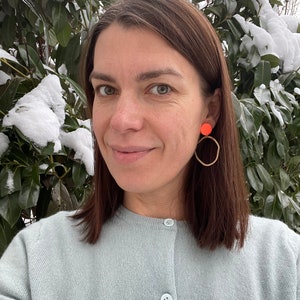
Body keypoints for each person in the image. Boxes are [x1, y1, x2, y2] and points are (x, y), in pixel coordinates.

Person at [0, 0, 299, 299]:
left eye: (160, 88)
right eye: (107, 89)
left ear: (210, 110)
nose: (121, 120)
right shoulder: (34, 262)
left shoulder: (281, 263)